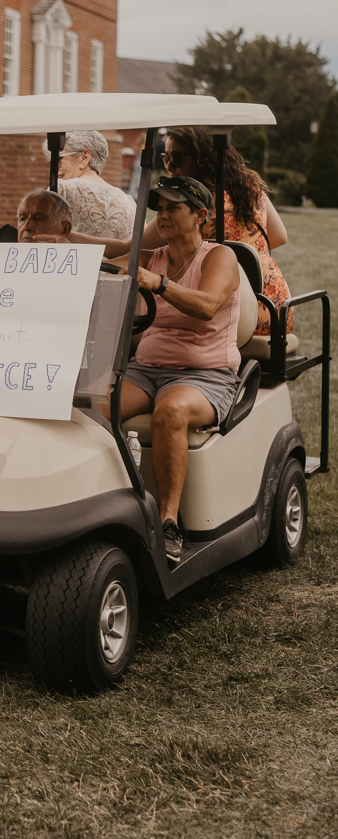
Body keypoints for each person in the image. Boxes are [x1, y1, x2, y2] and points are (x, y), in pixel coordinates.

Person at [104, 175, 241, 566]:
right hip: (146, 369)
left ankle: (167, 523)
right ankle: (109, 506)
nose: (161, 214)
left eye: (172, 207)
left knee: (171, 412)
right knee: (94, 408)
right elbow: (106, 267)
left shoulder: (219, 257)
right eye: (158, 207)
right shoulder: (153, 255)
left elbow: (208, 304)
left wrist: (160, 284)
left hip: (206, 375)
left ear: (199, 215)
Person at [160, 126, 291, 334]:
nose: (168, 167)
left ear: (200, 158)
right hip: (275, 306)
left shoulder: (192, 205)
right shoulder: (250, 187)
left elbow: (138, 245)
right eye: (164, 158)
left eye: (175, 158)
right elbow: (279, 237)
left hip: (236, 313)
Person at [44, 130, 136, 239]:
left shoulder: (62, 189)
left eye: (58, 159)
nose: (53, 167)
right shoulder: (129, 201)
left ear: (84, 157)